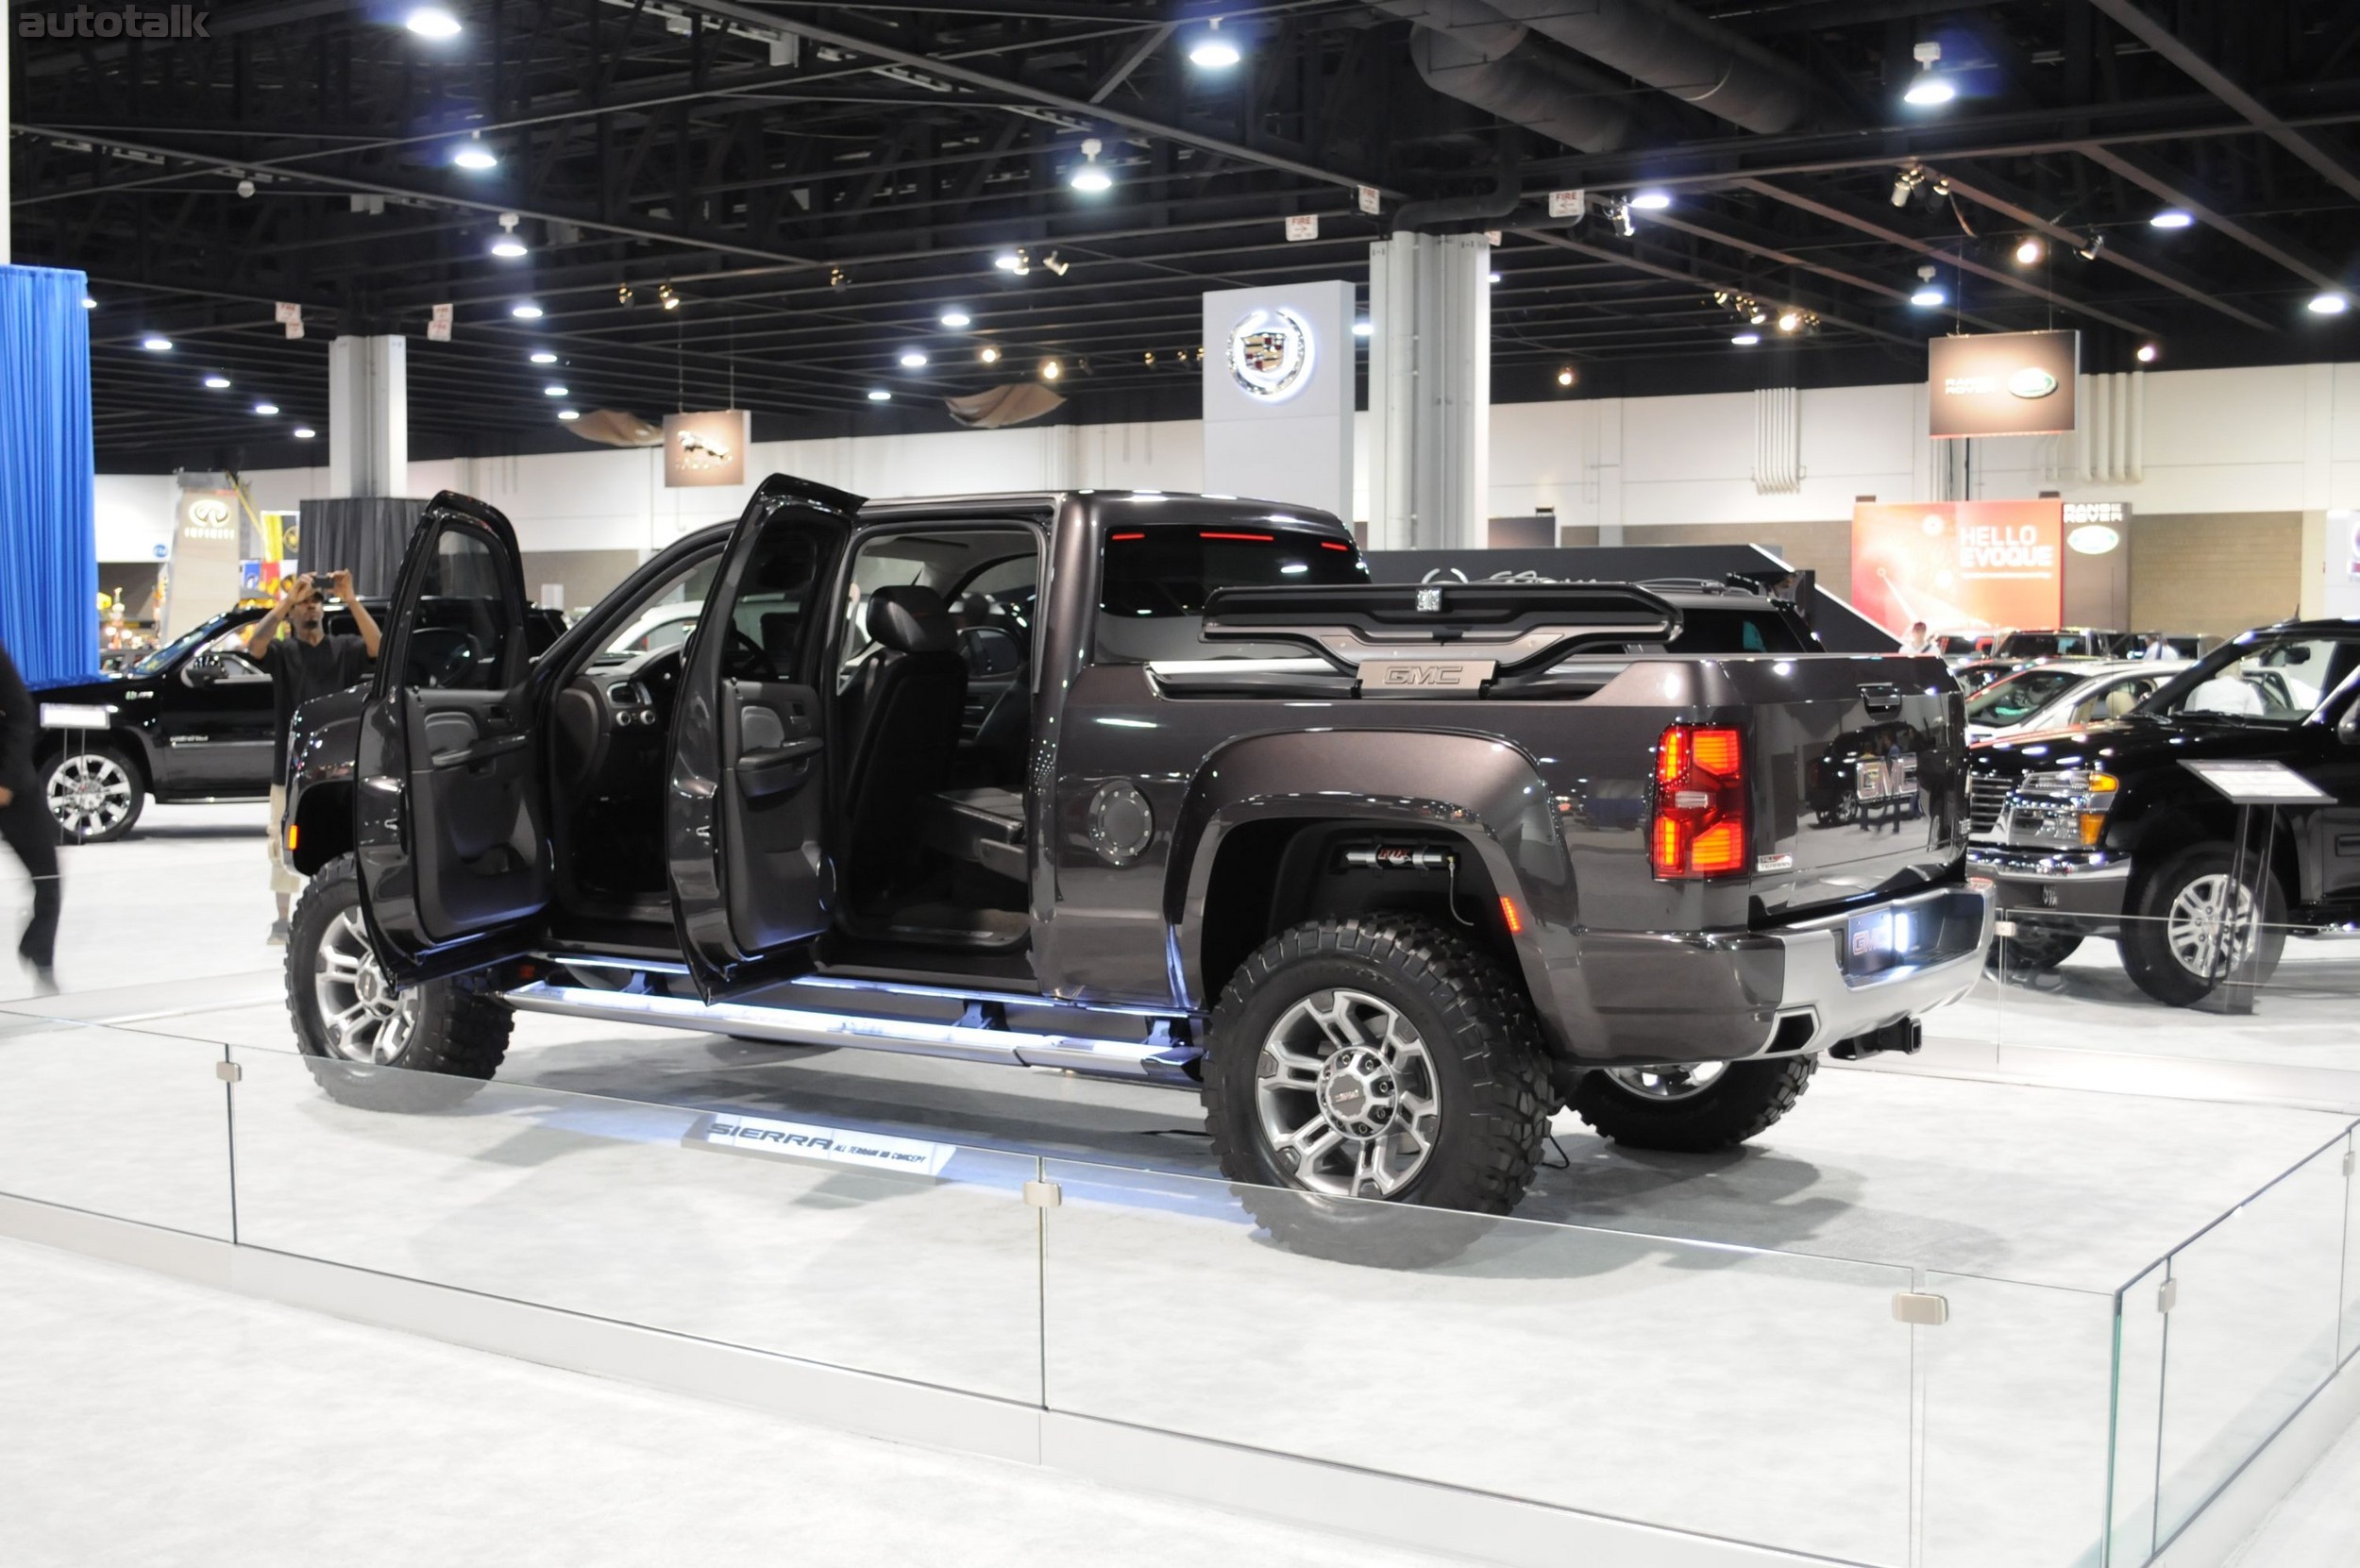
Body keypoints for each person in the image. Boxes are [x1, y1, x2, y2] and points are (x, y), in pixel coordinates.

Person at [245, 571, 380, 944]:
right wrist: (286, 600)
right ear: (292, 613)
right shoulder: (284, 653)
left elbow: (379, 648)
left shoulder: (344, 649)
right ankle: (283, 919)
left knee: (342, 837)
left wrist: (350, 600)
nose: (311, 605)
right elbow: (255, 646)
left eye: (316, 600)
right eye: (305, 601)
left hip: (339, 766)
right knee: (281, 840)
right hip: (288, 766)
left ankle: (344, 909)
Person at [0, 639, 61, 988]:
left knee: (48, 878)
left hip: (12, 784)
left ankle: (39, 951)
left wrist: (6, 780)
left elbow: (20, 713)